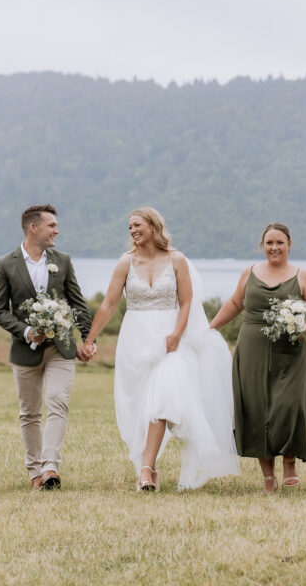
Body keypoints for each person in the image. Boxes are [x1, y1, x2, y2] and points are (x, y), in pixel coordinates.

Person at [82, 207, 238, 491]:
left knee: (163, 398)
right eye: (129, 227)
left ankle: (145, 468)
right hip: (136, 340)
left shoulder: (176, 259)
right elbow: (109, 304)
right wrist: (90, 340)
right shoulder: (125, 263)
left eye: (137, 225)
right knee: (140, 406)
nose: (132, 231)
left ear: (153, 226)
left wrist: (177, 333)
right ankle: (149, 464)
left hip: (169, 338)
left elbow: (187, 301)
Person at [209, 223, 306, 492]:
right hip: (252, 349)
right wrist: (210, 329)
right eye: (269, 242)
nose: (274, 247)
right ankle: (268, 476)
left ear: (289, 244)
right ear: (262, 246)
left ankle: (290, 459)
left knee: (291, 405)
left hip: (290, 351)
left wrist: (303, 327)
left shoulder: (303, 276)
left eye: (280, 242)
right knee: (256, 408)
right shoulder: (249, 273)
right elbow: (236, 303)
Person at [0, 204, 93, 490]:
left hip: (61, 348)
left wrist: (88, 339)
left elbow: (77, 303)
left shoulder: (63, 260)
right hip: (25, 352)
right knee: (30, 413)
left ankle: (50, 468)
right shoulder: (4, 264)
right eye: (51, 226)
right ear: (32, 228)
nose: (57, 230)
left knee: (58, 401)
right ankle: (35, 473)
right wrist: (25, 331)